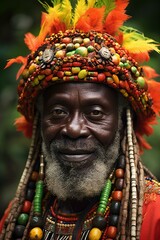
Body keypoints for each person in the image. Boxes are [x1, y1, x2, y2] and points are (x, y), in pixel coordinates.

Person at [1, 0, 160, 239]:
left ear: (122, 122)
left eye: (95, 113)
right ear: (40, 123)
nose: (74, 129)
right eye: (58, 112)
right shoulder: (15, 217)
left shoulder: (154, 214)